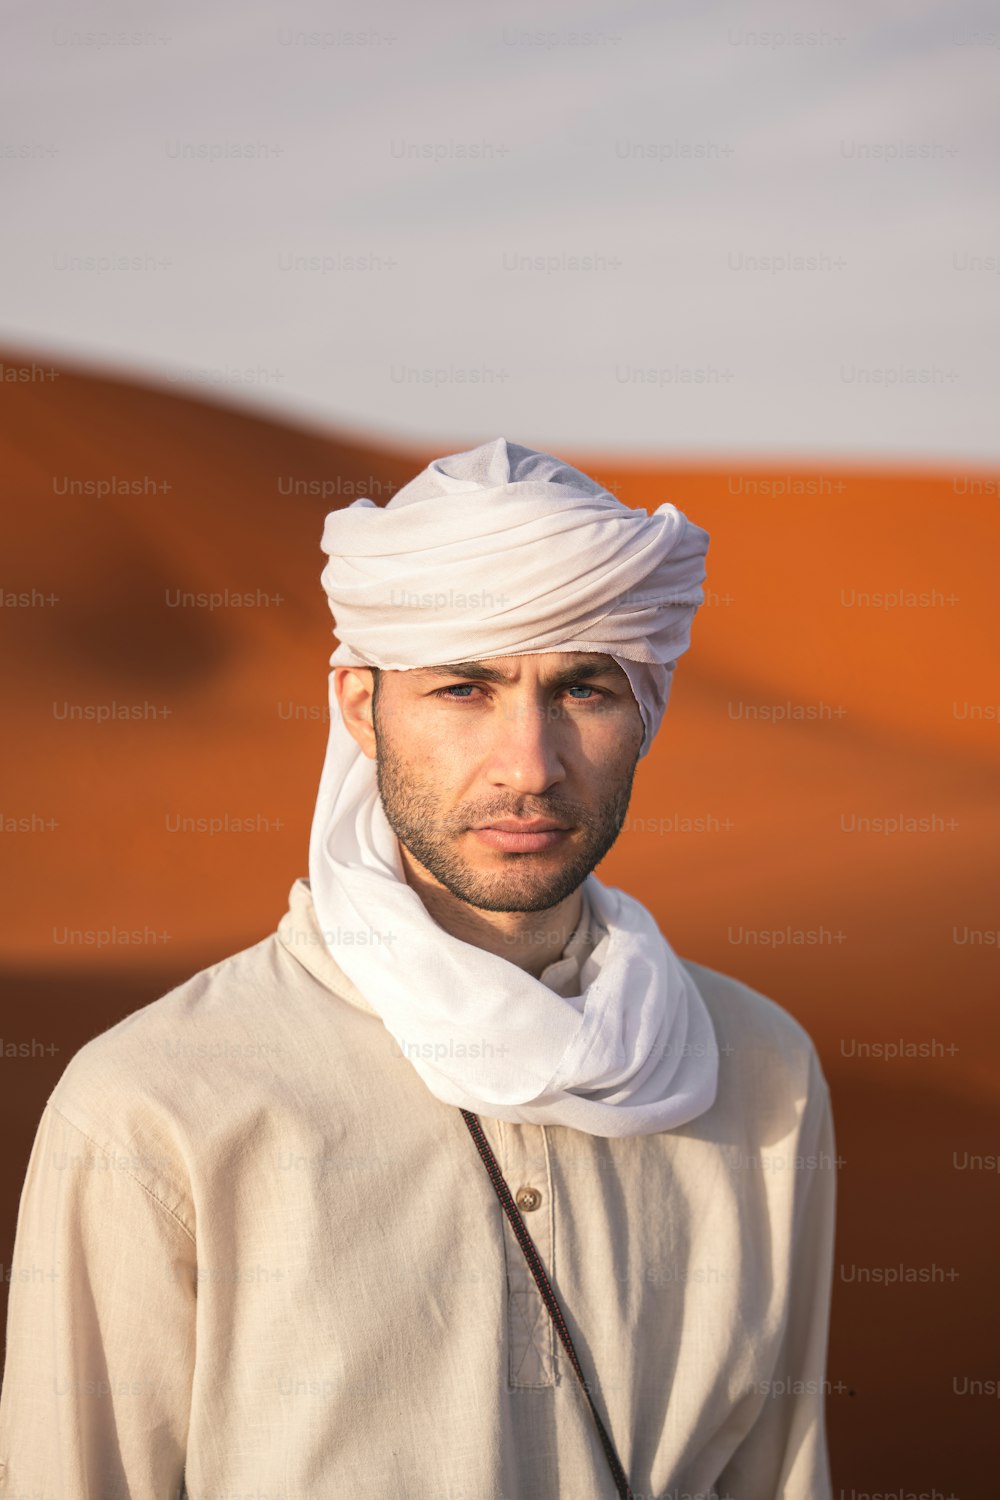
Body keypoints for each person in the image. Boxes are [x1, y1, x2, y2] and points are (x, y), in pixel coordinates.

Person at [0, 437, 836, 1499]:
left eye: (582, 689)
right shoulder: (159, 1103)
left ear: (646, 713)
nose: (528, 766)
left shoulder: (758, 1069)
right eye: (462, 690)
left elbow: (779, 1474)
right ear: (360, 707)